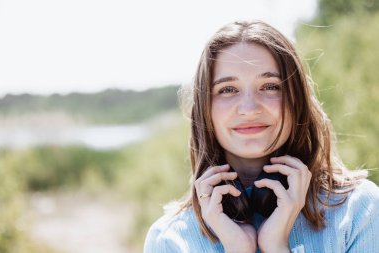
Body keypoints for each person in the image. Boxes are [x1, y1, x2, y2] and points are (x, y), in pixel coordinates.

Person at [143, 20, 379, 253]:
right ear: (205, 110)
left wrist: (276, 246)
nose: (249, 108)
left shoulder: (360, 211)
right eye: (227, 89)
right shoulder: (170, 240)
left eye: (270, 86)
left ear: (297, 100)